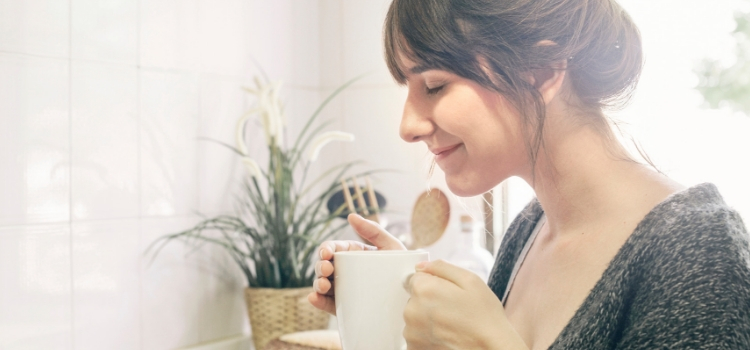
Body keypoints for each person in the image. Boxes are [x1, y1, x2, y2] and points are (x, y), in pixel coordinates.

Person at [308, 0, 750, 348]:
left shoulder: (698, 247)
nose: (408, 127)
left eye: (435, 85)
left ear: (539, 72)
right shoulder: (529, 231)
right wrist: (397, 303)